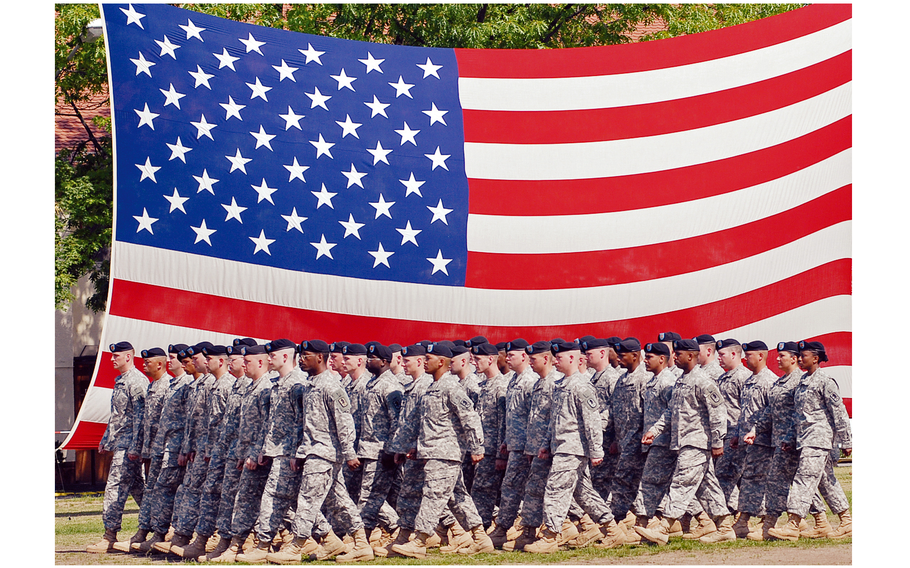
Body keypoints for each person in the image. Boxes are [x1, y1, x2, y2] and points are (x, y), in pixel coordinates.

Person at [268, 339, 373, 563]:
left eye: (306, 356)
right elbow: (306, 424)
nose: (302, 360)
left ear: (320, 357)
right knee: (338, 501)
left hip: (325, 453)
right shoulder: (310, 385)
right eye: (301, 356)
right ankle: (361, 544)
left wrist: (349, 453)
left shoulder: (331, 386)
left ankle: (296, 547)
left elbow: (344, 422)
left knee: (306, 499)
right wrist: (301, 452)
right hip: (314, 451)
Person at [390, 343, 494, 558]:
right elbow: (423, 423)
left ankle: (419, 540)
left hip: (446, 454)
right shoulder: (431, 387)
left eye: (428, 358)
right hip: (433, 451)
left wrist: (476, 446)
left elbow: (470, 417)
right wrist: (411, 447)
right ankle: (481, 539)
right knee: (458, 498)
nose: (425, 362)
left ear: (441, 362)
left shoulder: (451, 387)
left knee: (433, 496)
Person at [523, 340, 623, 553]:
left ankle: (550, 535)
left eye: (559, 358)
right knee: (584, 494)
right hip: (561, 446)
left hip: (573, 449)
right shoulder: (561, 385)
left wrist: (596, 450)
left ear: (572, 358)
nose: (555, 361)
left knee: (555, 489)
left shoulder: (581, 385)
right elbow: (555, 420)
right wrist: (545, 444)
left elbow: (592, 421)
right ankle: (612, 531)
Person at [637, 339, 733, 545]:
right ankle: (725, 527)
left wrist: (718, 441)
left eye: (678, 354)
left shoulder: (703, 381)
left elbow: (717, 412)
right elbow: (670, 411)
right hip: (683, 442)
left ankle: (664, 528)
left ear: (690, 356)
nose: (675, 358)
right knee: (707, 487)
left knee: (681, 483)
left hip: (698, 442)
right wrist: (655, 430)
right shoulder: (681, 380)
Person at [768, 341, 852, 541]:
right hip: (805, 439)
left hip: (819, 438)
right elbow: (798, 415)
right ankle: (846, 522)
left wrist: (847, 441)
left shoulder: (825, 381)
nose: (800, 358)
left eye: (804, 355)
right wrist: (789, 437)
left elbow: (839, 412)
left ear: (815, 358)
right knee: (826, 482)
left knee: (804, 478)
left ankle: (793, 524)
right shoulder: (802, 382)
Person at [236, 338, 310, 562]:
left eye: (273, 356)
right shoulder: (279, 383)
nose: (269, 359)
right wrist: (263, 449)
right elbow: (270, 423)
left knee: (275, 498)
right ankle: (323, 539)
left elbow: (301, 422)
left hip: (289, 452)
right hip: (276, 451)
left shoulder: (298, 383)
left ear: (286, 357)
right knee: (287, 500)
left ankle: (264, 545)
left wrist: (298, 453)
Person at [129, 346, 194, 553]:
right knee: (157, 490)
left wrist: (185, 448)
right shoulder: (171, 384)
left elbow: (187, 421)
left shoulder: (184, 384)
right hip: (160, 447)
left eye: (173, 358)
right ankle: (156, 533)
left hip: (176, 449)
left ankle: (169, 533)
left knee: (170, 491)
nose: (171, 362)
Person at [87, 341, 148, 553]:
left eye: (116, 356)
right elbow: (117, 415)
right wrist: (106, 438)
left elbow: (141, 417)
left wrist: (135, 446)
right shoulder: (121, 380)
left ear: (128, 357)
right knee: (139, 489)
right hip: (121, 442)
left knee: (114, 487)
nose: (112, 359)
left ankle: (109, 535)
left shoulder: (137, 381)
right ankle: (162, 527)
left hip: (129, 446)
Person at [112, 347, 170, 552]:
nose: (143, 364)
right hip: (150, 450)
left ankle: (161, 532)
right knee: (150, 491)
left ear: (160, 364)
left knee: (162, 492)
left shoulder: (167, 387)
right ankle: (146, 531)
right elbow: (144, 422)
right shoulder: (153, 386)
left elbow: (166, 423)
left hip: (164, 451)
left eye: (148, 362)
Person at [506, 341, 561, 551]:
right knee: (534, 490)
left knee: (559, 491)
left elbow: (553, 419)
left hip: (550, 447)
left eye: (533, 359)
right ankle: (529, 531)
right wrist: (531, 447)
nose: (530, 363)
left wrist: (545, 444)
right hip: (536, 447)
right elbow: (531, 418)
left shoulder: (554, 382)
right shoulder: (539, 382)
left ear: (545, 359)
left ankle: (586, 525)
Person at [488, 339, 539, 548]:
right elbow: (512, 416)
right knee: (510, 487)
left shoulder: (530, 381)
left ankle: (529, 531)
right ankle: (503, 529)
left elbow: (534, 417)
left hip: (529, 446)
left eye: (512, 355)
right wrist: (506, 441)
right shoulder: (513, 380)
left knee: (532, 489)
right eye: (507, 355)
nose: (507, 358)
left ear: (525, 357)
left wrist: (532, 446)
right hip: (515, 445)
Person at [354, 343, 404, 547]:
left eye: (371, 358)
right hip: (368, 448)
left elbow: (398, 420)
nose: (367, 361)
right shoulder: (372, 383)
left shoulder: (390, 386)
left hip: (380, 451)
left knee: (369, 496)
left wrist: (391, 449)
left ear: (384, 362)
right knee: (373, 496)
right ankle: (368, 536)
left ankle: (369, 538)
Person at [731, 340, 778, 538]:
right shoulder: (750, 381)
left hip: (765, 441)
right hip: (749, 442)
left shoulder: (770, 381)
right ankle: (744, 521)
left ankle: (766, 522)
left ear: (760, 356)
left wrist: (758, 432)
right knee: (750, 480)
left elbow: (772, 413)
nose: (745, 358)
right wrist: (737, 435)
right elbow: (744, 413)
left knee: (764, 481)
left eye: (749, 355)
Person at [608, 338, 652, 534]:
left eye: (622, 355)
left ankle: (630, 521)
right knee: (626, 480)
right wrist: (616, 439)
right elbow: (616, 412)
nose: (618, 359)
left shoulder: (645, 379)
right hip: (624, 440)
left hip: (639, 441)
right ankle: (625, 519)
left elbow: (649, 412)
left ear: (635, 356)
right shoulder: (622, 379)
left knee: (630, 480)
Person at [635, 342, 679, 531]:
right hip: (654, 442)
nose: (645, 360)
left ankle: (643, 522)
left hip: (663, 441)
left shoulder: (667, 381)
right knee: (659, 482)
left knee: (650, 482)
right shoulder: (653, 380)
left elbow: (673, 411)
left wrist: (657, 431)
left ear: (662, 359)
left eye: (650, 357)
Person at [468, 342, 508, 530]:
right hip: (483, 448)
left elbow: (504, 423)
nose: (474, 362)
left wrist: (501, 454)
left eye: (478, 359)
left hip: (493, 450)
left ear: (491, 359)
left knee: (482, 491)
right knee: (485, 490)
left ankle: (480, 531)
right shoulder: (482, 385)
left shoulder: (501, 386)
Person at [711, 338, 751, 526]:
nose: (718, 358)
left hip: (736, 434)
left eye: (722, 354)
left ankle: (724, 519)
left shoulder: (743, 377)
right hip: (726, 435)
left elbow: (748, 409)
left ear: (734, 354)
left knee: (725, 476)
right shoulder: (724, 377)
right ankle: (738, 516)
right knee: (738, 478)